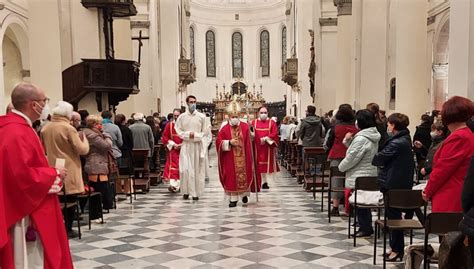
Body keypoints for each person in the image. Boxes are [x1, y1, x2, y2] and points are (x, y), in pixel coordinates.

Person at [0, 82, 72, 268]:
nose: (46, 105)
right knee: (28, 259)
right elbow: (20, 177)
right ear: (34, 105)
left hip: (24, 204)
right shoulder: (17, 132)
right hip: (23, 212)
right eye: (44, 100)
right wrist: (53, 173)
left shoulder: (17, 127)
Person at [41, 101, 90, 238]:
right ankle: (67, 228)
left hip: (53, 166)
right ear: (68, 114)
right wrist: (84, 140)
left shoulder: (46, 128)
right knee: (70, 199)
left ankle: (57, 226)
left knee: (57, 199)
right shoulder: (68, 128)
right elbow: (82, 149)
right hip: (69, 167)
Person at [372, 113, 415, 262]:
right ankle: (394, 247)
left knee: (394, 218)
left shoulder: (397, 142)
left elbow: (378, 159)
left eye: (389, 124)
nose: (388, 126)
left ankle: (397, 250)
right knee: (393, 217)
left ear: (394, 125)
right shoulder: (404, 139)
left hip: (393, 183)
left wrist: (379, 157)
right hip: (397, 181)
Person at [423, 96, 474, 212]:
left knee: (445, 229)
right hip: (460, 191)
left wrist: (428, 190)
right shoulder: (468, 134)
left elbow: (442, 169)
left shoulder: (459, 137)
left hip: (450, 194)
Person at [338, 109, 381, 237]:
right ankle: (364, 225)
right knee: (363, 201)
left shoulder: (362, 138)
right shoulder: (371, 135)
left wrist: (341, 167)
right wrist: (347, 141)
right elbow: (356, 150)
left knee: (360, 202)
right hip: (368, 172)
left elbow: (352, 157)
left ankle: (365, 228)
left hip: (359, 173)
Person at [216, 101, 256, 207]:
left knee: (244, 174)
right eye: (232, 116)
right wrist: (229, 142)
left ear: (239, 116)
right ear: (228, 116)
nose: (234, 118)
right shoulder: (224, 128)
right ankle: (233, 199)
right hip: (230, 157)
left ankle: (244, 195)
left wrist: (251, 128)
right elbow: (218, 141)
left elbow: (252, 139)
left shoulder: (245, 126)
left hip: (244, 156)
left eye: (236, 116)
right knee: (231, 176)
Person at [175, 95, 211, 200]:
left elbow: (205, 132)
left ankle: (195, 193)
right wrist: (187, 134)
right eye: (191, 102)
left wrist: (195, 135)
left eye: (194, 102)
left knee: (196, 169)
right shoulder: (182, 117)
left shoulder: (201, 116)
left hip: (197, 146)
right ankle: (185, 191)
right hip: (186, 146)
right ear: (187, 103)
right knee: (185, 169)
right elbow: (178, 130)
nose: (193, 104)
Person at [326, 104, 358, 216]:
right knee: (350, 180)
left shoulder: (335, 128)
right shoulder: (356, 129)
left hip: (337, 155)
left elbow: (329, 143)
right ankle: (350, 206)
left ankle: (335, 208)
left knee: (336, 180)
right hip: (352, 156)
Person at [83, 115, 114, 210]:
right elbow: (106, 146)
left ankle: (101, 208)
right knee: (99, 188)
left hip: (97, 162)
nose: (101, 125)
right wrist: (107, 136)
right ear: (94, 124)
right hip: (96, 163)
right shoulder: (93, 135)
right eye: (99, 124)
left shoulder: (89, 133)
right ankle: (97, 211)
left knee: (101, 187)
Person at [251, 106, 279, 189]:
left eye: (265, 113)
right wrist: (255, 138)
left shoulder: (272, 122)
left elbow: (275, 133)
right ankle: (259, 181)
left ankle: (265, 182)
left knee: (265, 165)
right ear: (258, 113)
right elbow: (250, 133)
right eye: (261, 113)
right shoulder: (254, 122)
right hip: (257, 147)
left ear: (268, 113)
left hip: (267, 146)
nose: (263, 114)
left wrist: (266, 138)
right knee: (257, 164)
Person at [162, 108, 183, 193]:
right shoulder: (169, 125)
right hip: (174, 150)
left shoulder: (185, 125)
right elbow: (165, 137)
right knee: (174, 167)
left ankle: (182, 185)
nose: (176, 117)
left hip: (183, 150)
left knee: (183, 168)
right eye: (175, 116)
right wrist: (174, 144)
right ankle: (174, 186)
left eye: (178, 116)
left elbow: (188, 137)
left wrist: (182, 145)